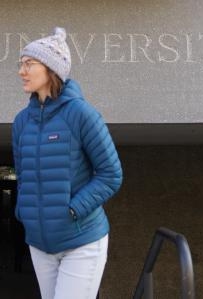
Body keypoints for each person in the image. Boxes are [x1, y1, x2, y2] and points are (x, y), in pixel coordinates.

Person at [11, 27, 123, 299]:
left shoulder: (81, 114)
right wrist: (23, 212)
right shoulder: (21, 122)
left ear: (51, 69)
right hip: (39, 243)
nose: (21, 71)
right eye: (20, 64)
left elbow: (111, 175)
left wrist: (71, 210)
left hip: (81, 240)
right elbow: (23, 176)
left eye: (29, 64)